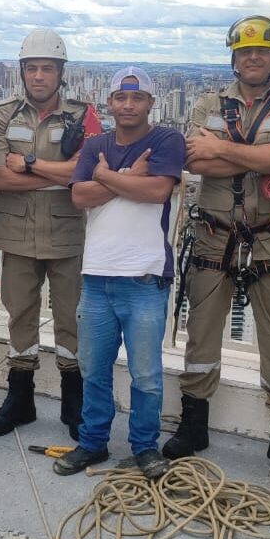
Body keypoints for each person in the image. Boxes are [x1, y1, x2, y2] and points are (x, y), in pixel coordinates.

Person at [163, 15, 270, 490]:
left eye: (263, 51)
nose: (254, 57)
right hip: (214, 233)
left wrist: (223, 148)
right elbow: (193, 158)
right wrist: (252, 153)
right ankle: (194, 422)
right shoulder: (210, 102)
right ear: (234, 57)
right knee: (202, 335)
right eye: (246, 50)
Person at [54, 67, 185, 480]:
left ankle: (145, 447)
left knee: (146, 374)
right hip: (96, 278)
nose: (128, 105)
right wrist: (131, 177)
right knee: (94, 369)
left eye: (137, 98)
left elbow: (158, 191)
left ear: (150, 103)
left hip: (145, 278)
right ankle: (92, 442)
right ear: (109, 102)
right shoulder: (96, 144)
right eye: (120, 98)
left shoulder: (166, 140)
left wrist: (107, 176)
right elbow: (79, 196)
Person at [0, 29, 101, 440]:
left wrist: (28, 164)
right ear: (21, 72)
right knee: (20, 317)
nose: (38, 76)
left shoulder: (83, 115)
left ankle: (74, 403)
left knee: (72, 319)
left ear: (60, 72)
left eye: (46, 68)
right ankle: (20, 400)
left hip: (67, 234)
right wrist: (57, 176)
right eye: (31, 68)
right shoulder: (2, 115)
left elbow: (85, 171)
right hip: (16, 234)